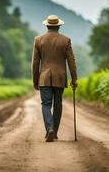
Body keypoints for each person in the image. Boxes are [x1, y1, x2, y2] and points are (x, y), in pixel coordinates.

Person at [31, 14, 78, 142]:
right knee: (58, 105)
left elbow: (35, 63)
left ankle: (49, 129)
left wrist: (35, 80)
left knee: (46, 104)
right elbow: (71, 61)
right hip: (60, 78)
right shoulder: (66, 40)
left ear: (47, 25)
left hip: (44, 78)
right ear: (59, 26)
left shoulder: (38, 40)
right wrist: (74, 79)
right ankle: (55, 132)